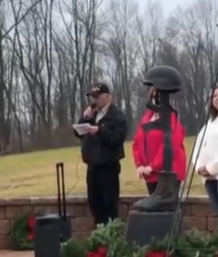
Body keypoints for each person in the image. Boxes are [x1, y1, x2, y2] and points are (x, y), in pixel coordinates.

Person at [74, 82, 128, 226]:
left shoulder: (116, 116)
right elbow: (77, 132)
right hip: (92, 165)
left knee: (109, 204)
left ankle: (112, 236)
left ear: (107, 97)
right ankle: (99, 237)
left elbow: (117, 138)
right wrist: (84, 118)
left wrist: (99, 131)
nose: (94, 101)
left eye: (97, 97)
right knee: (94, 203)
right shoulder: (91, 115)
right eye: (93, 97)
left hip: (108, 166)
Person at [132, 88, 187, 195]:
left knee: (166, 208)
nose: (157, 100)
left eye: (161, 97)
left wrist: (153, 166)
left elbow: (171, 143)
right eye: (154, 96)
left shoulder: (171, 116)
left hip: (168, 172)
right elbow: (136, 143)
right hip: (150, 174)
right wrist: (139, 165)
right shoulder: (146, 118)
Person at [192, 86, 218, 213]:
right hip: (209, 179)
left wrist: (211, 168)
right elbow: (198, 146)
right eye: (214, 96)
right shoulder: (209, 123)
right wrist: (199, 167)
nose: (217, 98)